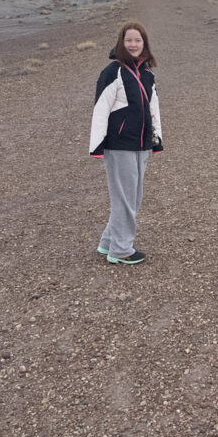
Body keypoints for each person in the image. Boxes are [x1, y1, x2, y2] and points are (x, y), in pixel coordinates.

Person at [89, 21, 163, 264]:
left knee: (133, 196)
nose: (133, 44)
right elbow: (100, 110)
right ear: (121, 43)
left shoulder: (147, 74)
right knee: (124, 197)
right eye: (128, 40)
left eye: (137, 40)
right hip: (119, 144)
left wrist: (156, 138)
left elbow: (154, 108)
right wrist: (97, 145)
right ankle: (121, 250)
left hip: (141, 143)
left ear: (144, 44)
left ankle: (108, 242)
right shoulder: (113, 72)